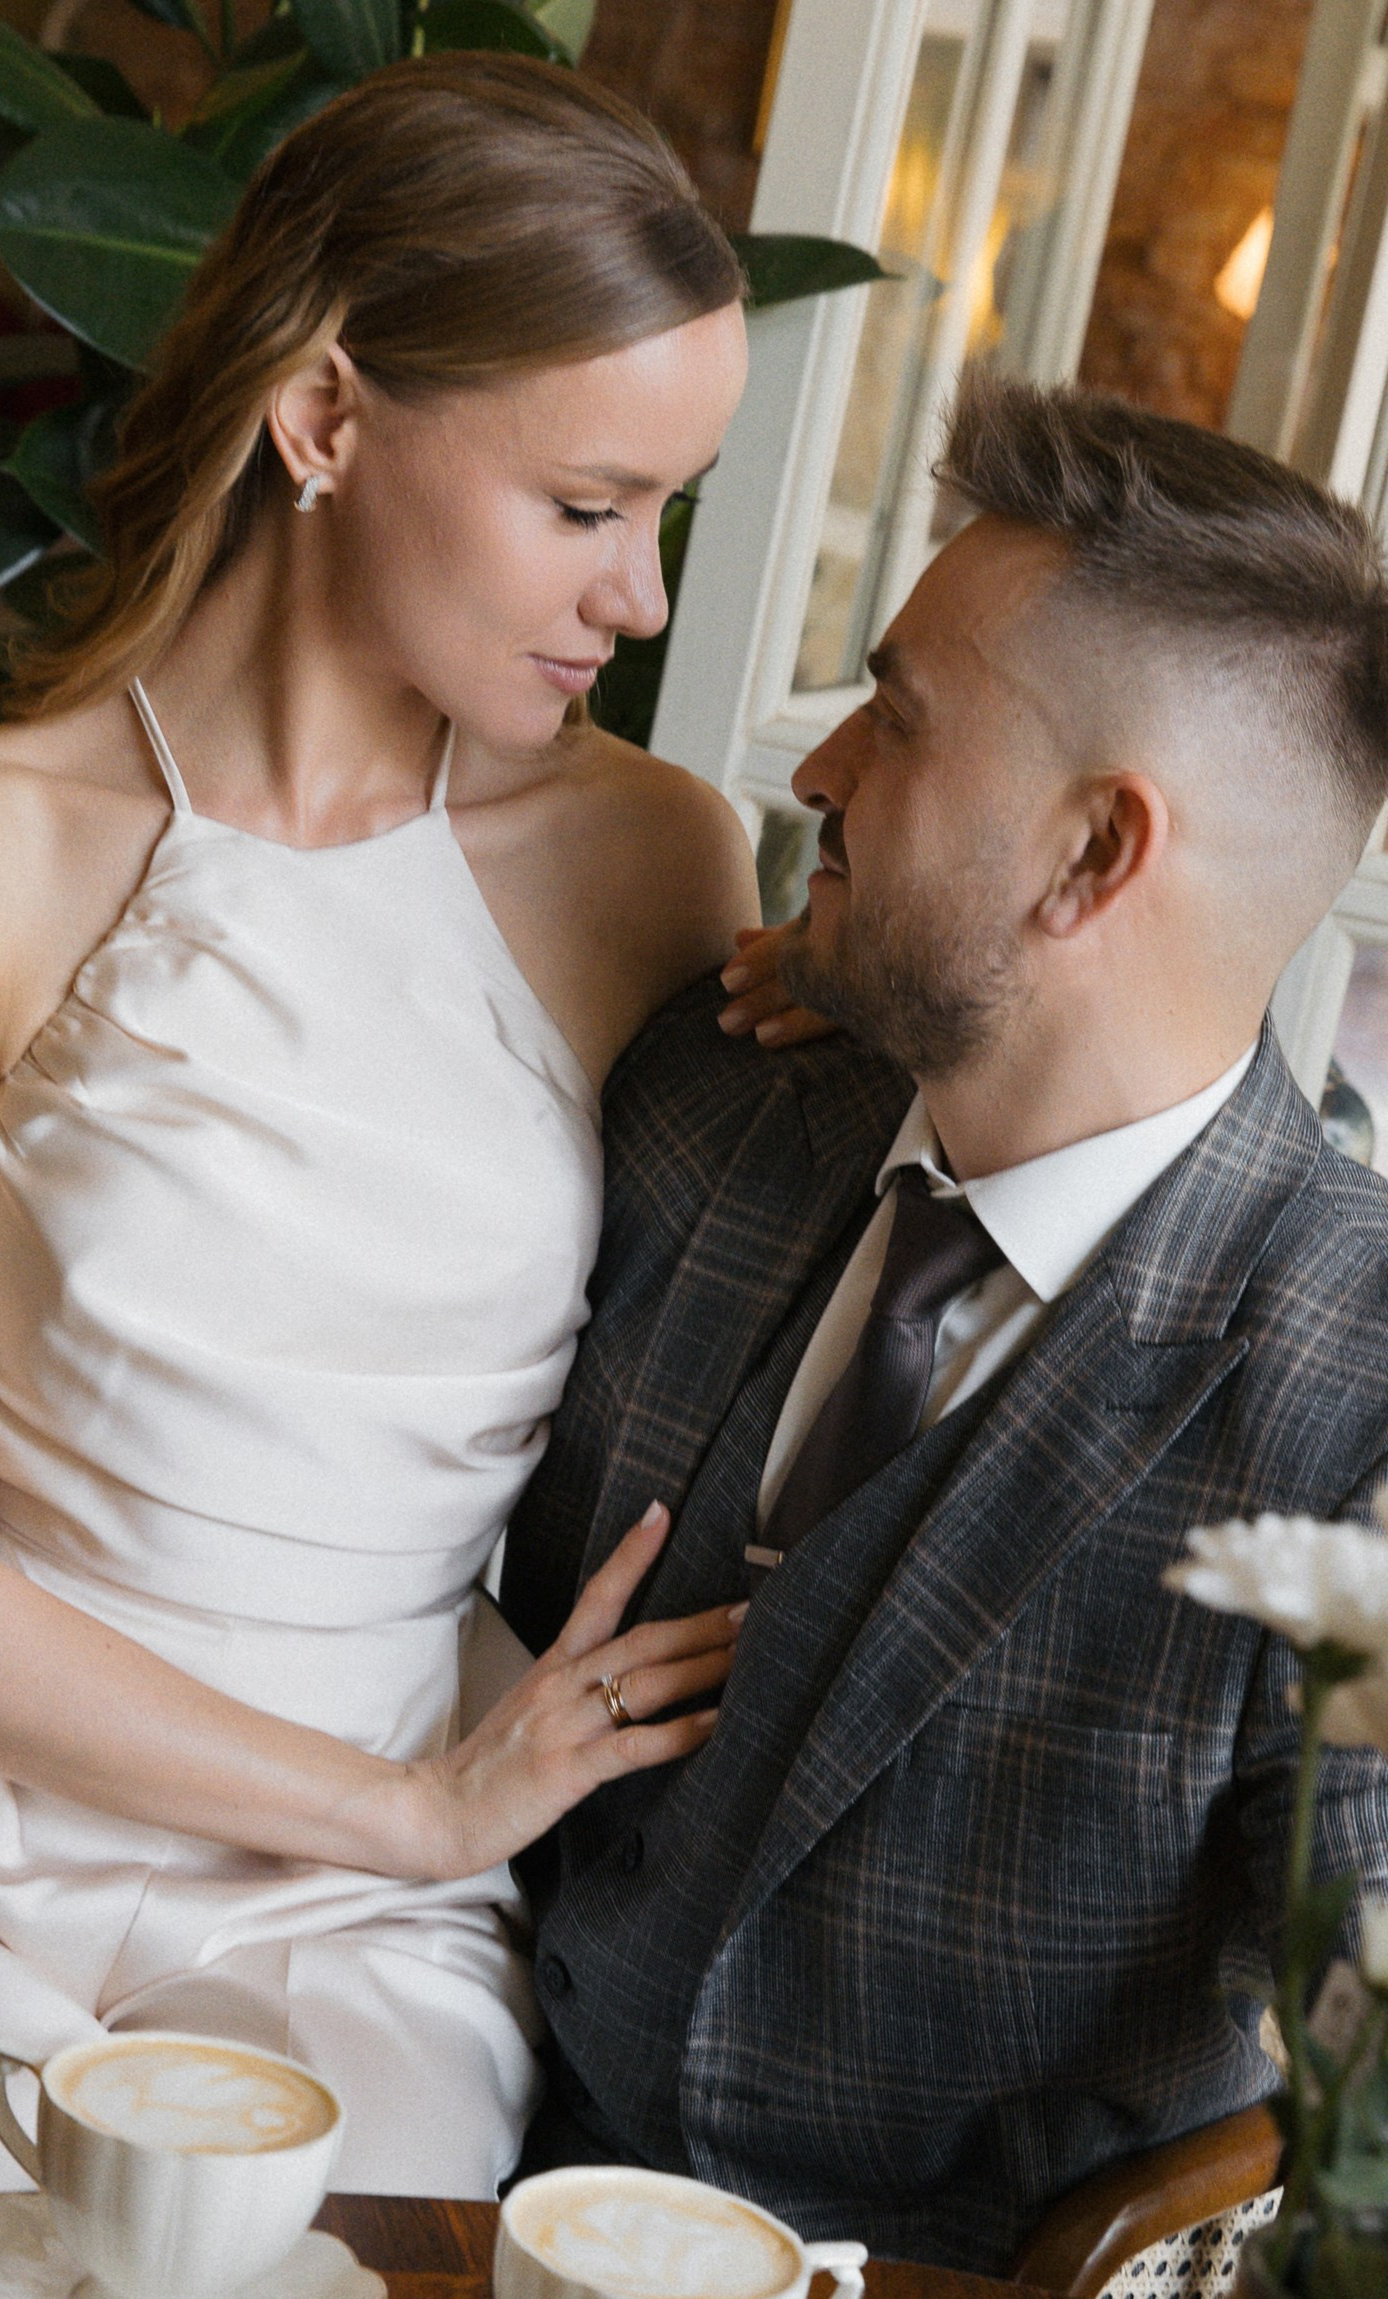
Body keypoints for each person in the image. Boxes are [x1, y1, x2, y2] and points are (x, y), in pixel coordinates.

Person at [0, 54, 769, 2202]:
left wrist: (854, 992)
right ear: (327, 418)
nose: (637, 600)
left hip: (361, 1919)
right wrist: (413, 1809)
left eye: (666, 514)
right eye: (588, 506)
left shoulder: (651, 861)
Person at [501, 373, 1388, 2271]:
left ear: (1094, 856)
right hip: (444, 2126)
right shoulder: (719, 1092)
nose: (815, 772)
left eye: (896, 719)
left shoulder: (1360, 1408)